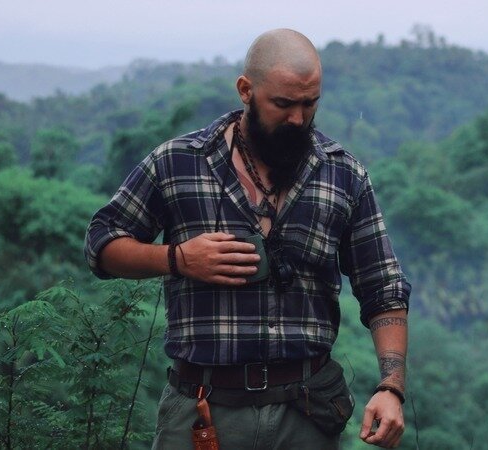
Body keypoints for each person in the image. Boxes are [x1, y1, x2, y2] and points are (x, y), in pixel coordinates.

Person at [85, 28, 410, 449]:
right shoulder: (178, 162)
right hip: (203, 410)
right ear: (245, 90)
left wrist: (391, 387)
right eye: (283, 104)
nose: (298, 118)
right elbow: (101, 243)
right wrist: (178, 258)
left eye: (310, 103)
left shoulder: (344, 175)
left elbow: (383, 287)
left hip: (307, 414)